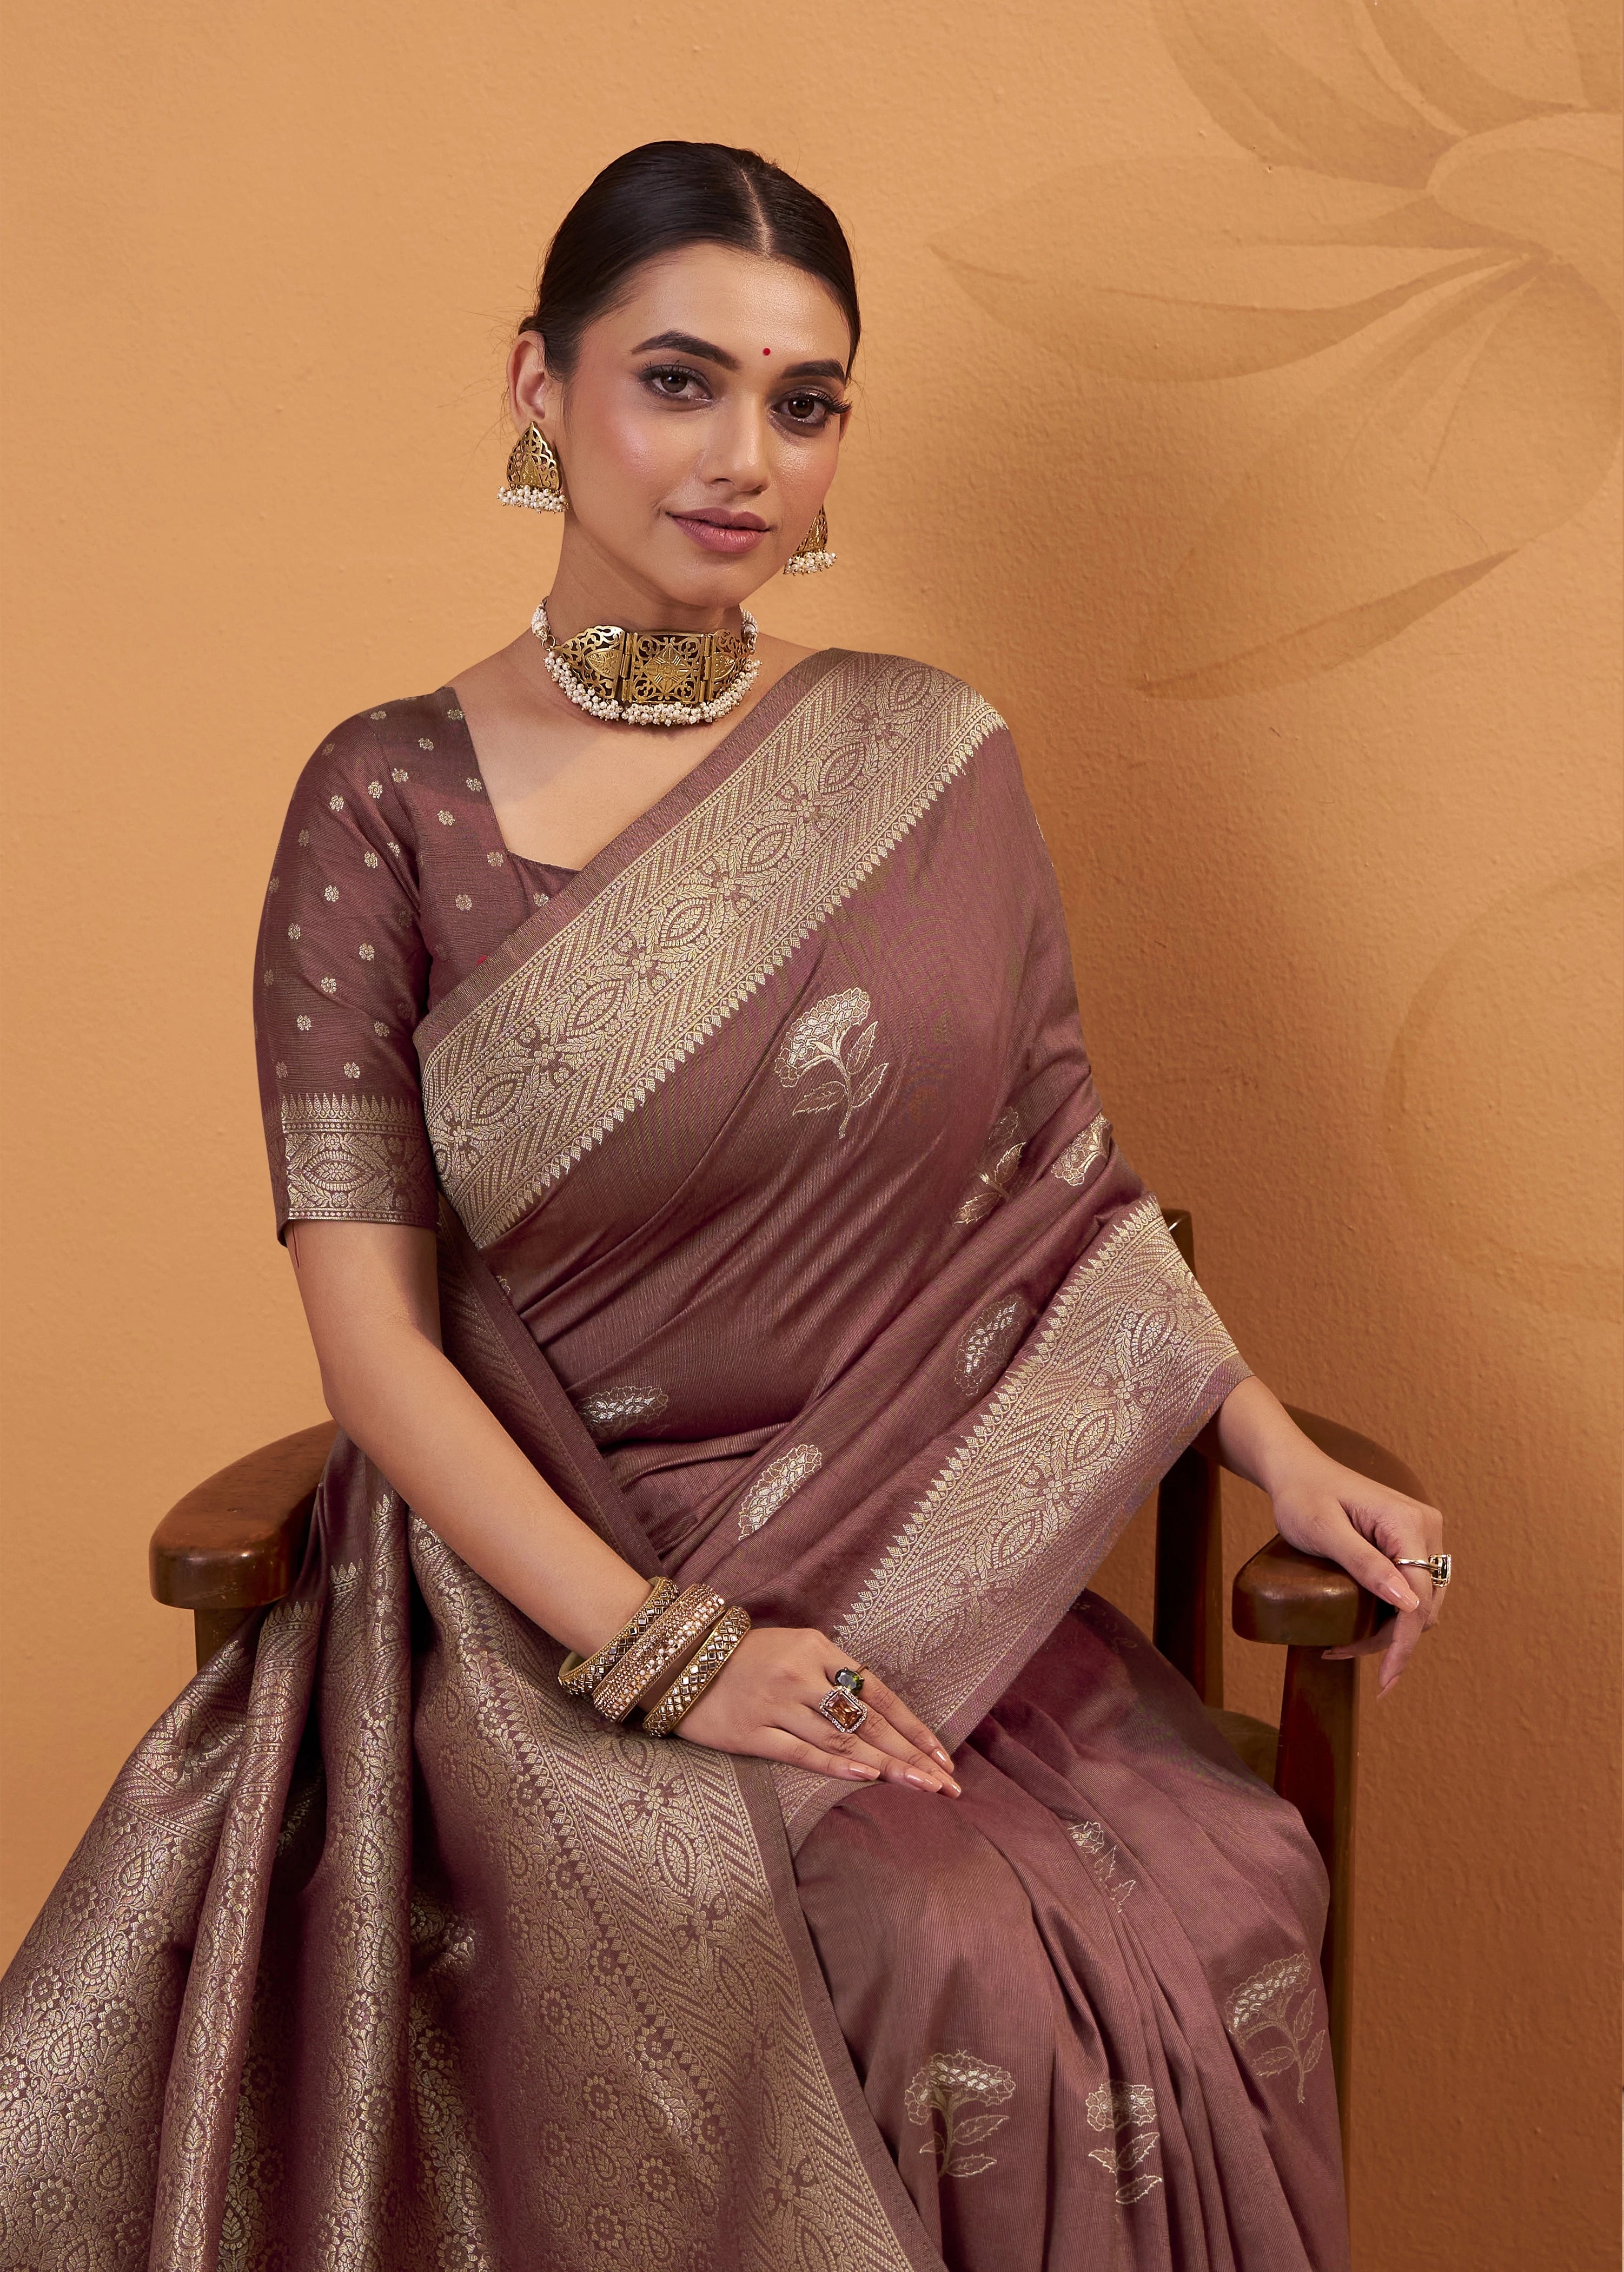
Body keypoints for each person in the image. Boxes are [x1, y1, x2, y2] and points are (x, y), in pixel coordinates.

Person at [1, 141, 1447, 2271]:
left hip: (929, 1581)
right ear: (539, 383)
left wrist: (1280, 1450)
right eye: (681, 381)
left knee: (1207, 1881)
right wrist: (673, 1657)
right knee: (922, 1933)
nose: (745, 454)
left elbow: (1064, 1191)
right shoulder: (384, 803)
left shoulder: (928, 753)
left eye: (804, 399)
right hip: (553, 1621)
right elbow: (378, 1353)